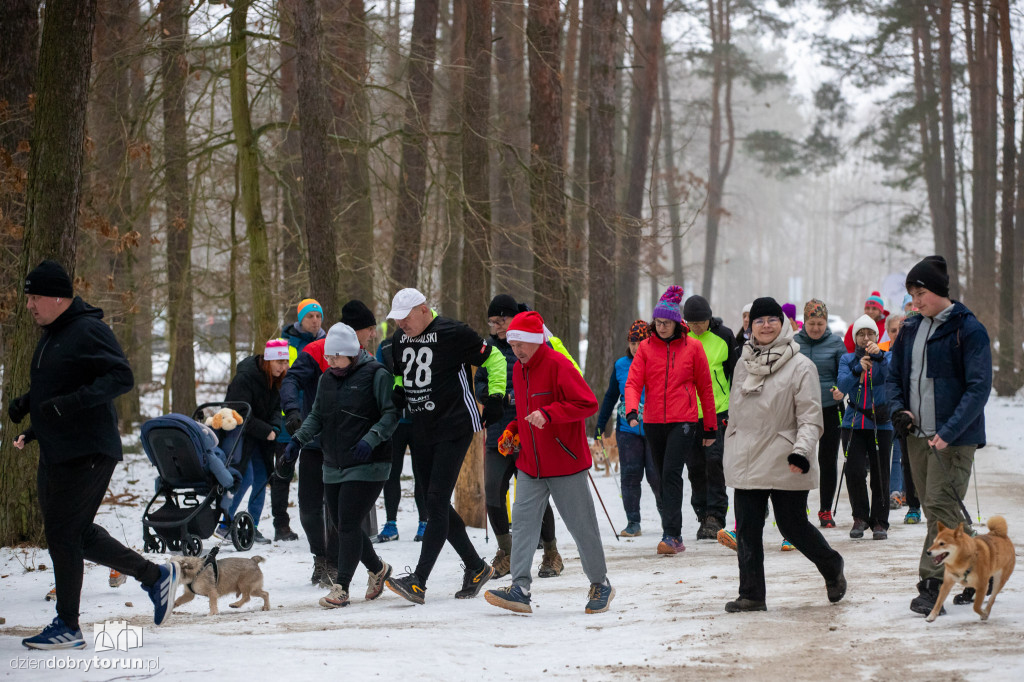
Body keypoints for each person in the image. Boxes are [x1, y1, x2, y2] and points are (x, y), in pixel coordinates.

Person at [9, 260, 179, 649]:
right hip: (59, 448)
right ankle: (155, 577)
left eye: (35, 297)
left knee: (63, 532)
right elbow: (61, 387)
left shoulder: (87, 329)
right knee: (74, 533)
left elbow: (121, 376)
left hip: (87, 449)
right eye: (28, 297)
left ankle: (68, 625)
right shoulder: (53, 334)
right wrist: (30, 413)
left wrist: (64, 407)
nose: (30, 305)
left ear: (57, 297)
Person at [483, 312, 614, 615]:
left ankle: (600, 583)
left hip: (565, 462)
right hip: (530, 464)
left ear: (535, 341)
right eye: (512, 344)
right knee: (525, 526)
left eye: (521, 344)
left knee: (582, 528)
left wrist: (551, 414)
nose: (516, 351)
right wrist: (512, 431)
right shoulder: (518, 370)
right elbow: (524, 412)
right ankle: (520, 587)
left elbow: (587, 403)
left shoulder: (558, 364)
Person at [383, 288, 507, 604]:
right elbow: (401, 374)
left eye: (405, 318)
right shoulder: (400, 339)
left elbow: (493, 357)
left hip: (455, 425)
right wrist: (398, 393)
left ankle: (419, 581)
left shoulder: (452, 332)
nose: (401, 324)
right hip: (422, 427)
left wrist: (495, 396)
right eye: (396, 319)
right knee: (431, 501)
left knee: (436, 500)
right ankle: (477, 567)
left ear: (423, 309)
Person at [722, 296, 846, 612]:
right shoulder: (742, 362)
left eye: (772, 320)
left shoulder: (800, 365)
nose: (765, 326)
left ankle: (831, 566)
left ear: (783, 324)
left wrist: (802, 452)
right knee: (747, 528)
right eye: (759, 320)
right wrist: (731, 443)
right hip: (748, 457)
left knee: (792, 526)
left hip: (786, 457)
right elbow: (735, 412)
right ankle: (751, 594)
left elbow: (810, 416)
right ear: (751, 325)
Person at [887, 255, 992, 616]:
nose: (915, 303)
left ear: (939, 291)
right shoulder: (912, 329)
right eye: (912, 296)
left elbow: (978, 389)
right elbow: (893, 377)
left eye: (921, 295)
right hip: (917, 436)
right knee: (936, 508)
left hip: (954, 439)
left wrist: (949, 431)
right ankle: (979, 565)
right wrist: (898, 410)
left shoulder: (968, 329)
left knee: (940, 510)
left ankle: (932, 586)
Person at [286, 323, 398, 608]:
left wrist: (371, 440)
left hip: (368, 462)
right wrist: (298, 440)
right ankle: (378, 569)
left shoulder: (376, 374)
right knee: (340, 523)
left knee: (347, 523)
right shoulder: (327, 379)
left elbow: (391, 414)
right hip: (333, 461)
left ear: (350, 353)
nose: (331, 361)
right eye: (329, 356)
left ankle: (342, 587)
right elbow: (317, 415)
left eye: (336, 356)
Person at [475, 294, 564, 578]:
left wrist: (518, 399)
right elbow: (479, 384)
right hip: (499, 433)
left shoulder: (536, 344)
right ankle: (507, 551)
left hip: (530, 432)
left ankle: (551, 553)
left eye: (502, 320)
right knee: (492, 494)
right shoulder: (487, 348)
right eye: (493, 322)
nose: (498, 327)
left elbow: (549, 381)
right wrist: (493, 399)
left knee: (535, 498)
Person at [624, 286, 717, 555]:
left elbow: (705, 388)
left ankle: (672, 534)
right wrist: (632, 411)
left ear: (678, 323)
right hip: (653, 420)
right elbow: (633, 383)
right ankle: (671, 530)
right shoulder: (645, 348)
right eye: (658, 322)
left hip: (684, 419)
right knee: (662, 476)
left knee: (670, 473)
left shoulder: (693, 347)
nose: (661, 327)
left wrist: (709, 426)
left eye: (666, 322)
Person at [280, 333, 339, 586]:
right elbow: (290, 379)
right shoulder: (315, 350)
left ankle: (335, 563)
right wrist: (292, 410)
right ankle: (320, 557)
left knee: (338, 509)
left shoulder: (362, 356)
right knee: (308, 509)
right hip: (313, 441)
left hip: (341, 445)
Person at [595, 320, 662, 537]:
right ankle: (633, 521)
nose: (636, 347)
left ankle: (668, 519)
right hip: (627, 429)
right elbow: (610, 397)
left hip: (655, 428)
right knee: (630, 475)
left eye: (641, 341)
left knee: (656, 476)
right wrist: (600, 424)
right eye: (632, 342)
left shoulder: (659, 361)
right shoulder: (621, 365)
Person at [221, 338, 290, 544]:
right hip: (240, 437)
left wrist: (275, 427)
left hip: (262, 438)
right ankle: (224, 524)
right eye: (279, 362)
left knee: (262, 479)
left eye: (285, 362)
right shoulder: (245, 378)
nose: (283, 367)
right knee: (246, 477)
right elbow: (237, 412)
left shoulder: (276, 379)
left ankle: (253, 526)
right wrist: (266, 430)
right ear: (268, 361)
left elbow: (277, 408)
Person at [682, 295, 736, 540]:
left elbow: (735, 372)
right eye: (691, 323)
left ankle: (716, 516)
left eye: (700, 322)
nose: (696, 327)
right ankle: (702, 513)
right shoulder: (681, 338)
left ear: (709, 318)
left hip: (718, 408)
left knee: (714, 462)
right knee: (694, 465)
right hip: (689, 412)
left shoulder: (724, 336)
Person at [271, 298, 326, 542]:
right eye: (309, 316)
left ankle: (321, 521)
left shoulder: (328, 344)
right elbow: (275, 380)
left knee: (316, 473)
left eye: (318, 316)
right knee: (283, 471)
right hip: (289, 420)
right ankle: (281, 524)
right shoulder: (284, 344)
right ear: (300, 320)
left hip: (317, 421)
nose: (315, 320)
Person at [837, 315, 893, 540]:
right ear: (855, 337)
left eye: (870, 334)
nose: (866, 337)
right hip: (853, 423)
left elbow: (891, 376)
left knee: (880, 474)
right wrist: (856, 370)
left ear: (877, 338)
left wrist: (879, 357)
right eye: (861, 334)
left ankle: (880, 521)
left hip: (881, 424)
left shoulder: (886, 356)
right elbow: (841, 386)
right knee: (854, 471)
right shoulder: (847, 359)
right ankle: (860, 517)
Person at [794, 299, 847, 528]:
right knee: (801, 458)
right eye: (812, 323)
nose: (816, 328)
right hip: (801, 411)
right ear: (805, 322)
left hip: (830, 408)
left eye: (820, 323)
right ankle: (798, 507)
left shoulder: (836, 343)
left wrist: (840, 388)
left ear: (826, 322)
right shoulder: (794, 343)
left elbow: (844, 373)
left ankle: (825, 510)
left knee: (827, 461)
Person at [376, 319, 428, 542]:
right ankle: (390, 524)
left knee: (421, 473)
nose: (405, 325)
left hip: (420, 420)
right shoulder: (386, 347)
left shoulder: (426, 343)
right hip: (394, 420)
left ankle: (424, 523)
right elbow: (377, 378)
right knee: (391, 473)